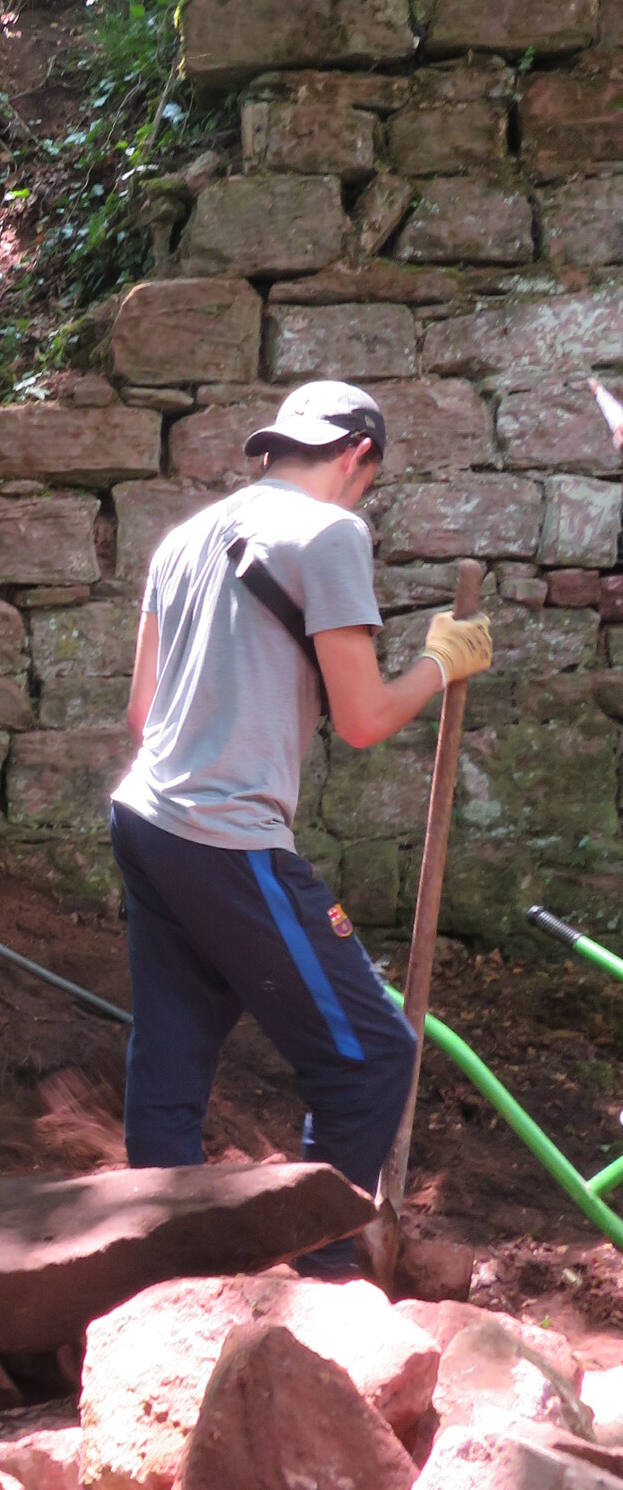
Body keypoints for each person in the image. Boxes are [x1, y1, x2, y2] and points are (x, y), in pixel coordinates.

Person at [111, 381, 491, 1259]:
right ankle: (321, 1273)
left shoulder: (183, 540)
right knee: (371, 1057)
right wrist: (441, 663)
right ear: (359, 456)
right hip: (227, 839)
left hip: (146, 819)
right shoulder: (329, 535)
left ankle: (158, 1274)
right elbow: (362, 721)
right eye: (370, 479)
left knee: (172, 1060)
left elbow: (142, 715)